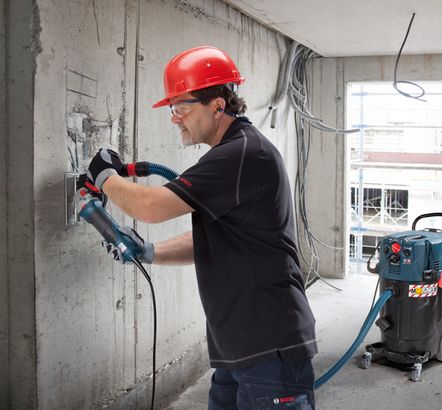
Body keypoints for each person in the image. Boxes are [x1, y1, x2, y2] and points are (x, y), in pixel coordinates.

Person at [85, 46, 317, 410]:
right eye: (172, 109)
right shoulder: (234, 154)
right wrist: (149, 252)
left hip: (269, 345)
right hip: (237, 346)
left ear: (217, 105)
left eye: (181, 107)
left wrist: (105, 176)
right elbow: (214, 240)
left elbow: (149, 207)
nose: (175, 118)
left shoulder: (242, 153)